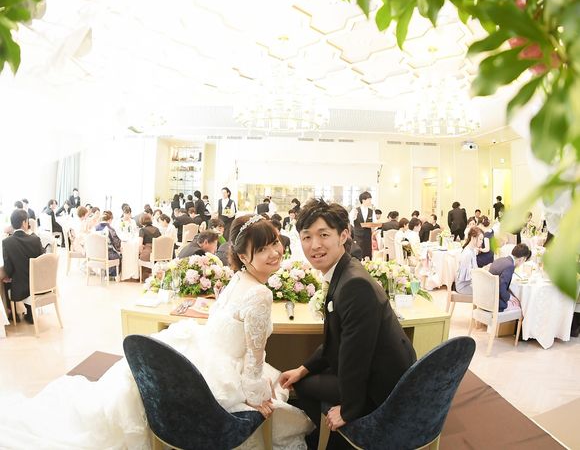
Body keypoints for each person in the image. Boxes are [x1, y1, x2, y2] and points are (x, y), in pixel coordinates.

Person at [0, 214, 313, 449]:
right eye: (263, 248)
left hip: (204, 350)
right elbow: (254, 359)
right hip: (225, 368)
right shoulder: (260, 293)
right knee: (275, 393)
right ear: (243, 256)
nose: (275, 252)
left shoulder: (238, 279)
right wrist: (258, 397)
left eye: (275, 243)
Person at [280, 199, 416, 450]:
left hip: (382, 383)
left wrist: (350, 409)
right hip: (372, 366)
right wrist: (302, 368)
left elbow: (357, 355)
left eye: (323, 235)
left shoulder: (354, 284)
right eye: (307, 237)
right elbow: (337, 340)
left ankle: (339, 438)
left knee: (304, 387)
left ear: (343, 235)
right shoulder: (343, 271)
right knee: (303, 378)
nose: (315, 245)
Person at [2, 209, 45, 323]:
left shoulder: (7, 242)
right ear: (24, 223)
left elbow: (8, 269)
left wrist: (9, 276)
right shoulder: (35, 239)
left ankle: (12, 315)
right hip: (37, 285)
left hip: (20, 288)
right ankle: (30, 313)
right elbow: (42, 261)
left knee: (5, 280)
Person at [489, 243, 531, 311]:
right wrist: (509, 297)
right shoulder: (509, 266)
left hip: (486, 297)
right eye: (524, 260)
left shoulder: (500, 259)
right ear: (521, 259)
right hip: (495, 303)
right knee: (521, 306)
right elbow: (501, 288)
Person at [454, 226, 483, 294]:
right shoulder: (467, 253)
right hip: (463, 286)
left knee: (487, 287)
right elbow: (466, 276)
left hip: (468, 283)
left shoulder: (472, 250)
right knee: (486, 291)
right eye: (480, 239)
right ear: (473, 238)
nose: (482, 242)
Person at [94, 210, 123, 277]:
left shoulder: (94, 228)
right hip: (107, 254)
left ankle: (103, 272)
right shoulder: (110, 229)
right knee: (119, 256)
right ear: (110, 220)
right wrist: (120, 250)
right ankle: (111, 274)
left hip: (95, 254)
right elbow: (116, 243)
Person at [350, 191, 375, 259]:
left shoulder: (371, 211)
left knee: (367, 252)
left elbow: (374, 223)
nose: (370, 201)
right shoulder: (355, 210)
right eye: (369, 199)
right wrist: (354, 216)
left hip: (368, 235)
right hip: (358, 235)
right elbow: (351, 222)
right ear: (363, 200)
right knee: (358, 251)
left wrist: (373, 228)